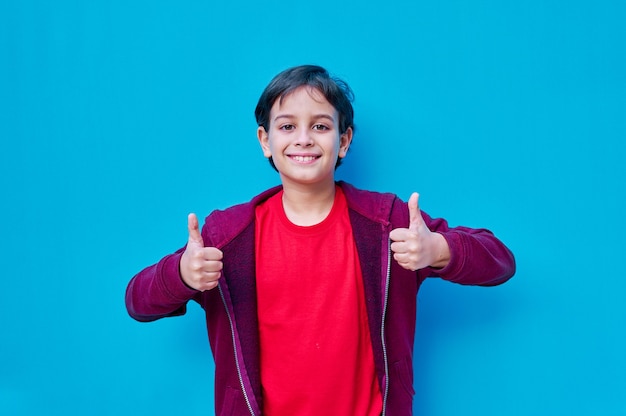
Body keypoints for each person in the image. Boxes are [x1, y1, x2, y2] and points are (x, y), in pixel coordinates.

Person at [125, 65, 516, 416]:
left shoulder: (388, 222)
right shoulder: (227, 236)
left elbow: (500, 260)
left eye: (320, 126)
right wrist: (181, 274)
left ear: (343, 141)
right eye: (287, 126)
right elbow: (137, 301)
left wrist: (438, 250)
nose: (304, 139)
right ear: (265, 141)